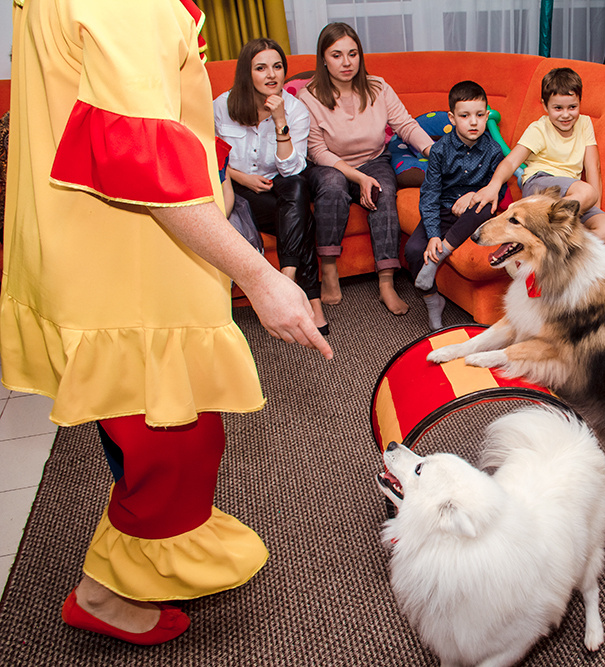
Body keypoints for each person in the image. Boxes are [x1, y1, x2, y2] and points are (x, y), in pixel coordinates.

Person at [0, 0, 332, 645]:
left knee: (145, 436)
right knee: (171, 440)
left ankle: (106, 586)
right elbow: (138, 156)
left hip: (92, 253)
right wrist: (260, 276)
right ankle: (107, 594)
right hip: (127, 267)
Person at [298, 22, 433, 315]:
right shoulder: (308, 97)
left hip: (374, 159)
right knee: (333, 188)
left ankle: (386, 282)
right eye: (336, 55)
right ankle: (330, 270)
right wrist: (358, 177)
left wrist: (433, 151)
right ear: (323, 58)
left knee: (384, 193)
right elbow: (317, 151)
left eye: (352, 53)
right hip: (330, 164)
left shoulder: (378, 87)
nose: (346, 63)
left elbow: (406, 125)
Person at [214, 38, 328, 335]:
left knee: (297, 186)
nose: (271, 75)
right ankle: (313, 303)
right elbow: (210, 157)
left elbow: (291, 169)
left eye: (277, 67)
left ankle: (286, 275)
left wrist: (280, 122)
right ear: (246, 73)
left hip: (276, 186)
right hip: (235, 187)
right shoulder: (221, 107)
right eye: (261, 68)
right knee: (304, 219)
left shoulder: (295, 110)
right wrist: (241, 178)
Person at [472, 67, 605, 244]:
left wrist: (593, 205)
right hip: (540, 183)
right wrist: (493, 186)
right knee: (587, 191)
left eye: (572, 107)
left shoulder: (584, 123)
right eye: (558, 108)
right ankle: (545, 226)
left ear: (580, 102)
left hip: (572, 198)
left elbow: (593, 167)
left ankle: (558, 247)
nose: (566, 115)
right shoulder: (539, 129)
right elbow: (511, 162)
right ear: (545, 105)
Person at [404, 81, 507, 330]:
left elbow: (499, 189)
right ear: (452, 117)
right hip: (443, 209)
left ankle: (441, 255)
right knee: (413, 249)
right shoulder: (440, 150)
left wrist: (473, 195)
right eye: (465, 116)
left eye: (480, 115)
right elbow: (429, 194)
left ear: (486, 116)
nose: (474, 122)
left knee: (485, 205)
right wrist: (432, 235)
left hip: (474, 211)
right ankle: (432, 301)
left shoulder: (493, 151)